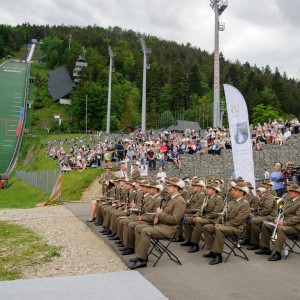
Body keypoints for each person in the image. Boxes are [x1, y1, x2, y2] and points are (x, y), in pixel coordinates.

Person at [128, 177, 186, 270]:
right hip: (162, 225)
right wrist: (157, 217)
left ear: (176, 188)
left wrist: (160, 214)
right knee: (138, 228)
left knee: (145, 231)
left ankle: (142, 260)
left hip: (170, 229)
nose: (167, 187)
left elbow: (175, 220)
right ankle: (141, 255)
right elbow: (164, 214)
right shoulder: (171, 199)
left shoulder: (180, 201)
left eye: (170, 186)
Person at [202, 182, 250, 265]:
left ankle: (218, 255)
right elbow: (223, 214)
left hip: (237, 228)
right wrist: (217, 222)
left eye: (235, 190)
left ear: (242, 192)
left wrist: (222, 225)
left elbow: (238, 221)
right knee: (206, 228)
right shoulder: (232, 202)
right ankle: (213, 250)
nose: (233, 192)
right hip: (227, 226)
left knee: (220, 229)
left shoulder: (245, 204)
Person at [255, 183, 300, 261]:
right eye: (289, 190)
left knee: (281, 229)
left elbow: (298, 217)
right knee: (266, 225)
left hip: (295, 226)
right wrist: (277, 219)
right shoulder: (289, 201)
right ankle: (265, 248)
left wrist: (284, 223)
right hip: (286, 223)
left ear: (298, 193)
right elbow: (282, 213)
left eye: (292, 191)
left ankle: (277, 252)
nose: (289, 192)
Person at [243, 184, 277, 249]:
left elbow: (267, 210)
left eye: (258, 191)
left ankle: (255, 243)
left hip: (270, 217)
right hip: (264, 215)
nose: (257, 192)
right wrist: (254, 213)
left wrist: (256, 214)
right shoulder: (264, 197)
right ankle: (247, 239)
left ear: (261, 192)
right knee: (249, 218)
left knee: (254, 221)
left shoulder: (269, 197)